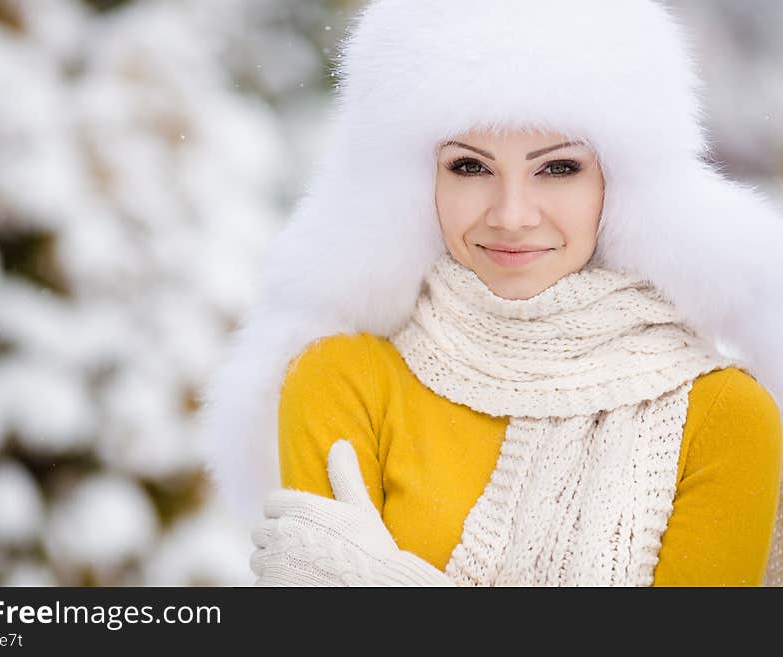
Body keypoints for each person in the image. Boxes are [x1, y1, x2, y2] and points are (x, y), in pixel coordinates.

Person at [196, 0, 783, 586]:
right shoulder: (343, 380)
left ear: (623, 184)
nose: (511, 215)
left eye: (557, 169)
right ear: (417, 182)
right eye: (470, 168)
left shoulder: (723, 417)